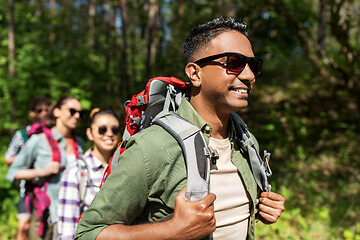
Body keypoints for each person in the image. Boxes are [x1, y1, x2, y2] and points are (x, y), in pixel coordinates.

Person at [75, 17, 285, 240]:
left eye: (254, 65)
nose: (249, 75)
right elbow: (88, 233)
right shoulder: (153, 146)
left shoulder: (246, 141)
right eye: (233, 63)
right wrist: (171, 231)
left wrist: (260, 209)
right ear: (195, 73)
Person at [6, 96, 84, 240]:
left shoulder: (79, 143)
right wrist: (41, 171)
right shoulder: (39, 140)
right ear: (57, 112)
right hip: (47, 214)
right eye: (72, 111)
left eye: (80, 113)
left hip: (74, 214)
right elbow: (13, 172)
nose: (77, 116)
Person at [57, 108, 121, 240]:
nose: (109, 134)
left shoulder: (123, 168)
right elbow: (67, 229)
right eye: (102, 129)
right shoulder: (77, 171)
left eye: (115, 130)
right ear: (90, 133)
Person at [4, 96, 51, 240]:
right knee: (23, 225)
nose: (43, 113)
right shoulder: (22, 135)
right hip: (27, 187)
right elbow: (7, 159)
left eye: (46, 110)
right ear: (32, 113)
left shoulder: (51, 134)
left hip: (47, 188)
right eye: (39, 110)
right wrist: (27, 154)